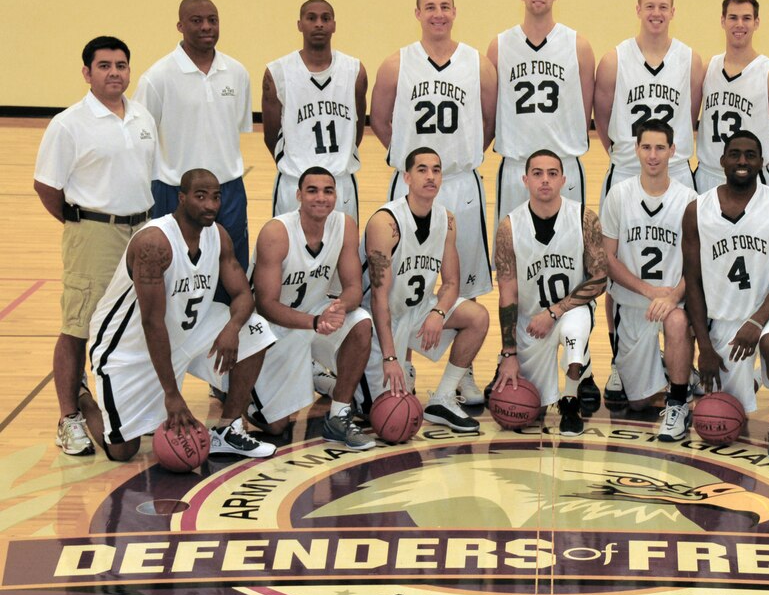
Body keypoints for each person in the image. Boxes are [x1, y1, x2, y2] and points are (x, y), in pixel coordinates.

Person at [87, 169, 277, 462]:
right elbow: (152, 323)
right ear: (181, 198)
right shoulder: (154, 244)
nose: (210, 205)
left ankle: (227, 428)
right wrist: (172, 394)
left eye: (216, 197)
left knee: (255, 329)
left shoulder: (218, 236)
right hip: (130, 347)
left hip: (187, 331)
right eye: (200, 196)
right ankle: (82, 398)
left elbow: (242, 295)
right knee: (123, 451)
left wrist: (232, 328)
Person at [370, 0, 497, 401]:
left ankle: (464, 374)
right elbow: (380, 120)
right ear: (417, 12)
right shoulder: (396, 63)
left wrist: (456, 161)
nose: (438, 13)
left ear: (455, 11)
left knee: (468, 279)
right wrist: (414, 164)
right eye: (430, 7)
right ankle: (400, 362)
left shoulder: (477, 63)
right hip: (411, 180)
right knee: (401, 273)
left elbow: (488, 122)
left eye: (445, 6)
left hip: (460, 180)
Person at [34, 36, 158, 456]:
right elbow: (46, 186)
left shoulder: (142, 116)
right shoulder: (68, 123)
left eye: (121, 65)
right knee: (78, 325)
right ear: (87, 73)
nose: (114, 73)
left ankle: (126, 402)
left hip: (140, 230)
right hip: (94, 232)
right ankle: (69, 417)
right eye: (103, 66)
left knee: (136, 321)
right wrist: (83, 224)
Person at [594, 0, 703, 402]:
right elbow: (602, 118)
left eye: (664, 6)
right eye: (650, 6)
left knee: (682, 260)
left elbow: (692, 113)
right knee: (619, 262)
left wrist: (661, 153)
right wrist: (631, 154)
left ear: (673, 11)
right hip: (627, 166)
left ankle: (680, 355)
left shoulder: (691, 60)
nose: (656, 13)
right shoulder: (614, 59)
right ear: (637, 8)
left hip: (675, 167)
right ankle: (623, 363)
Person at [683, 131, 769, 459]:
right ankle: (749, 380)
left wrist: (756, 321)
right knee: (724, 412)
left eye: (750, 155)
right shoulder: (697, 211)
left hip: (768, 309)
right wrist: (704, 347)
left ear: (761, 162)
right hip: (723, 317)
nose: (742, 162)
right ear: (721, 161)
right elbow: (691, 281)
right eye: (735, 154)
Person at [359, 147, 490, 433]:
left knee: (478, 316)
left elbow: (453, 283)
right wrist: (391, 358)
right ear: (406, 177)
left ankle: (442, 398)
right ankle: (328, 379)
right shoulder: (386, 223)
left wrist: (438, 311)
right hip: (377, 321)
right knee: (386, 415)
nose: (430, 176)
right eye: (422, 170)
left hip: (416, 310)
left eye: (436, 170)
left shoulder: (447, 220)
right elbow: (379, 299)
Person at [249, 167, 374, 450]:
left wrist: (341, 307)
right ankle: (238, 387)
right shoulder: (276, 232)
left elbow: (354, 286)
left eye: (328, 191)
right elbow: (265, 305)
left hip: (314, 316)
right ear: (298, 195)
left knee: (361, 322)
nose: (321, 197)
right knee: (276, 426)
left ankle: (339, 415)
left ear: (336, 196)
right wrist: (315, 321)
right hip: (271, 328)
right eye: (312, 190)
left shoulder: (344, 225)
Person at [492, 150, 608, 437]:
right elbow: (507, 294)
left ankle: (570, 400)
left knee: (574, 328)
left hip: (570, 310)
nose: (545, 180)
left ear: (563, 180)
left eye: (552, 173)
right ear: (525, 180)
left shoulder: (583, 217)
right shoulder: (509, 227)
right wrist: (509, 353)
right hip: (531, 323)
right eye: (538, 174)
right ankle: (583, 364)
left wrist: (555, 310)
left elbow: (600, 279)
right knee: (528, 408)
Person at [136, 0, 253, 270]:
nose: (206, 27)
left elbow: (235, 125)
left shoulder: (237, 73)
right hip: (174, 189)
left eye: (212, 20)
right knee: (174, 269)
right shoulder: (157, 77)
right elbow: (142, 136)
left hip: (229, 188)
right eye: (197, 21)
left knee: (231, 268)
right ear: (180, 25)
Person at [600, 119, 697, 440]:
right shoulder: (618, 195)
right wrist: (649, 290)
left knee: (678, 321)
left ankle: (678, 400)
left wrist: (670, 297)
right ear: (636, 150)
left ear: (673, 150)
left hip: (672, 303)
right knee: (638, 402)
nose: (653, 155)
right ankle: (668, 362)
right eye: (646, 147)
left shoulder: (687, 199)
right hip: (633, 303)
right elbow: (608, 259)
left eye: (659, 148)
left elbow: (697, 263)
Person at [487, 0, 595, 223]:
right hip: (516, 164)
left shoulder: (577, 45)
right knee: (512, 249)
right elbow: (490, 111)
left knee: (569, 251)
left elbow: (586, 108)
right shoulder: (499, 46)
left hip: (564, 164)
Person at [263, 0, 367, 220]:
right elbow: (271, 136)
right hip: (294, 181)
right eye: (311, 18)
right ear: (300, 24)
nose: (319, 24)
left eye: (325, 18)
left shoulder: (355, 71)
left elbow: (356, 131)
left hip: (340, 180)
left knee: (343, 251)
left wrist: (339, 157)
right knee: (288, 251)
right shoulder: (277, 72)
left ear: (334, 25)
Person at [695, 0, 769, 192]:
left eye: (746, 18)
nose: (739, 24)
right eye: (733, 17)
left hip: (752, 179)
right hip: (707, 176)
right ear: (723, 21)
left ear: (756, 22)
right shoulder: (708, 69)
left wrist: (766, 176)